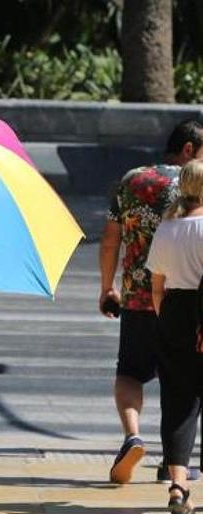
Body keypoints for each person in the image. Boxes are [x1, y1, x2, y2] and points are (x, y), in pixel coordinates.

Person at [99, 119, 203, 484]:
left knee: (130, 372)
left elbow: (111, 240)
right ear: (189, 150)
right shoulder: (192, 186)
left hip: (136, 296)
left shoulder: (132, 180)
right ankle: (174, 464)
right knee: (181, 387)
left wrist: (106, 287)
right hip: (181, 300)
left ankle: (132, 435)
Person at [146, 159, 203, 514]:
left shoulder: (167, 228)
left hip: (175, 313)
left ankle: (178, 487)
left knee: (178, 403)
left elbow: (157, 287)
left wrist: (169, 319)